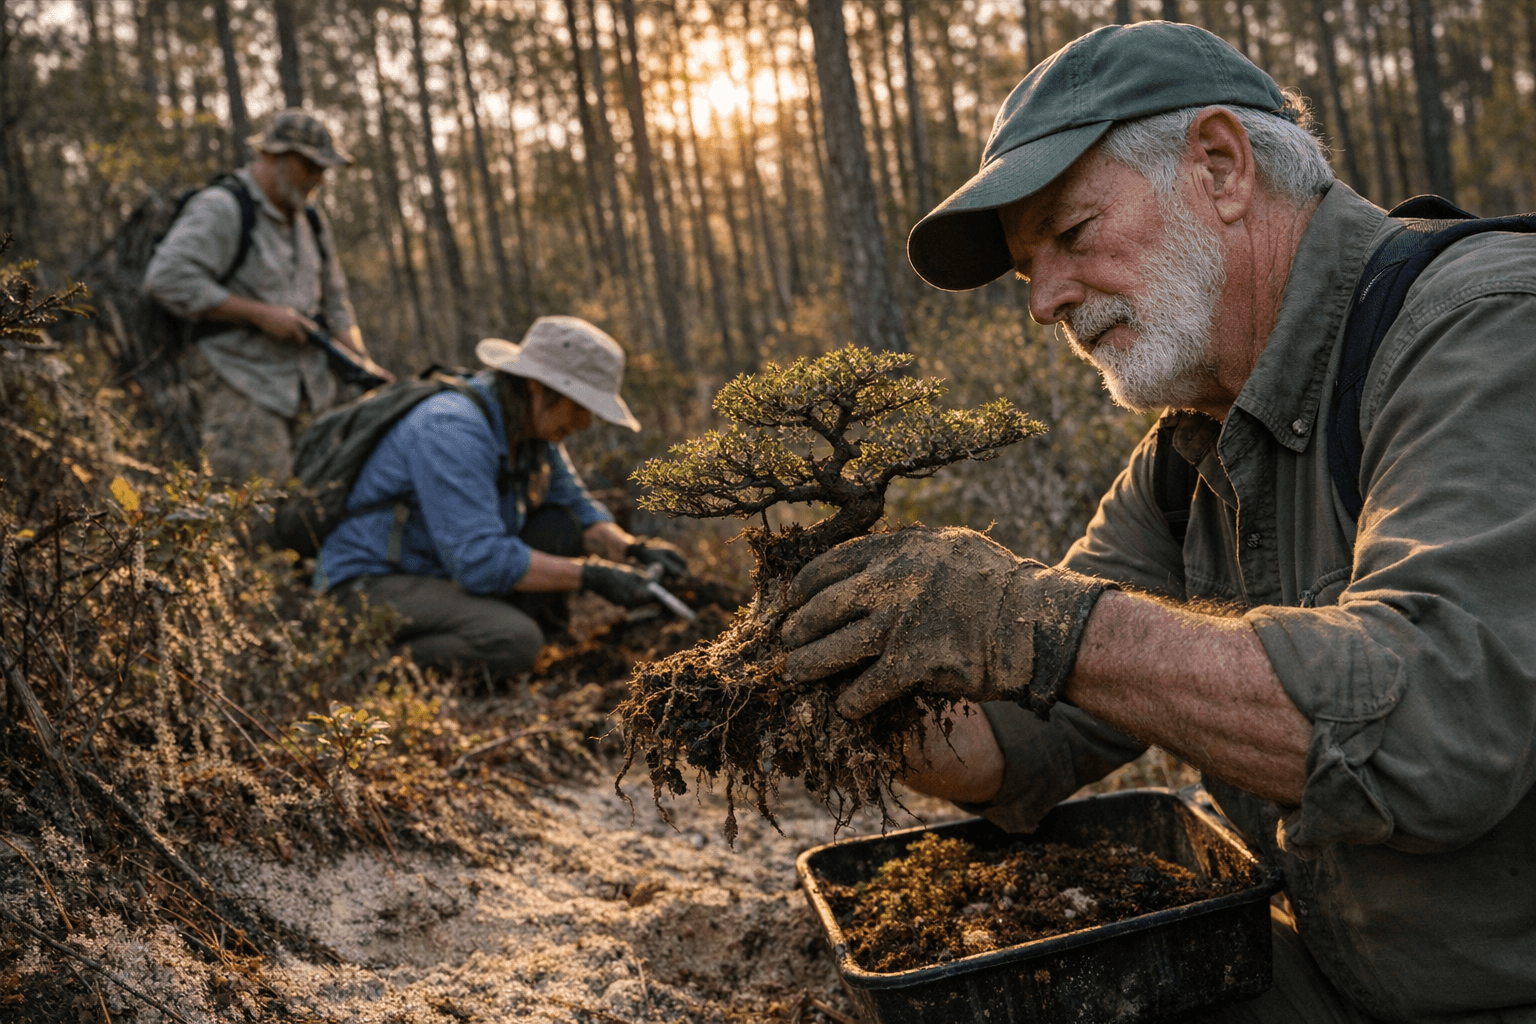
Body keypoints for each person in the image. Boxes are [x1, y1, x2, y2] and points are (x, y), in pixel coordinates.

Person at [779, 21, 1536, 1024]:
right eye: (1028, 272)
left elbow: (1439, 727)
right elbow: (1024, 733)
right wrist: (856, 678)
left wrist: (1026, 618)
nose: (1045, 303)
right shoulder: (1190, 452)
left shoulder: (1485, 328)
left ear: (1221, 166)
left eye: (1072, 234)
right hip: (1317, 967)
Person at [316, 315, 687, 682]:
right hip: (370, 584)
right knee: (513, 640)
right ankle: (363, 670)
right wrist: (591, 575)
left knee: (560, 525)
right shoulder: (451, 428)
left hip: (439, 573)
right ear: (537, 387)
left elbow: (576, 505)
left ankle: (528, 639)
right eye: (579, 406)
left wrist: (633, 549)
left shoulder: (528, 426)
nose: (586, 423)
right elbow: (480, 560)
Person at [143, 108, 389, 484]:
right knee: (259, 508)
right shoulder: (222, 207)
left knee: (322, 502)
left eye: (324, 169)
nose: (319, 178)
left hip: (312, 392)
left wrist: (362, 363)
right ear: (272, 156)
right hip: (241, 386)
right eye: (309, 166)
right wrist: (260, 315)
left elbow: (336, 300)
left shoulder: (311, 219)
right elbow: (166, 278)